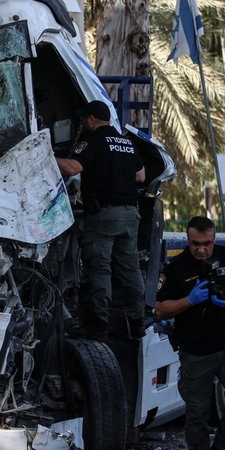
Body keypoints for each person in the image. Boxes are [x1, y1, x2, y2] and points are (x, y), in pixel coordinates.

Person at [154, 216, 225, 450]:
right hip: (195, 352)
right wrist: (189, 300)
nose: (201, 250)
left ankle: (222, 447)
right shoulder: (175, 268)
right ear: (188, 240)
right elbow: (160, 309)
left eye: (207, 244)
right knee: (197, 414)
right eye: (195, 244)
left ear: (214, 239)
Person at [55, 99, 147, 339]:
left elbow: (74, 168)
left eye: (85, 119)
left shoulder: (93, 140)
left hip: (104, 216)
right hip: (130, 214)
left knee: (99, 268)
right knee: (130, 270)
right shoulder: (126, 142)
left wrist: (47, 158)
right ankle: (137, 322)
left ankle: (98, 324)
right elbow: (141, 175)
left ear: (91, 119)